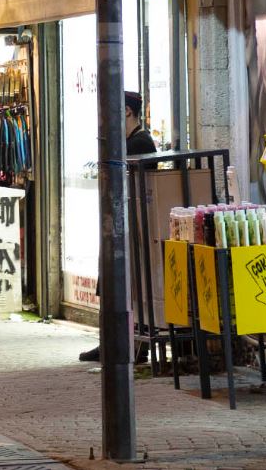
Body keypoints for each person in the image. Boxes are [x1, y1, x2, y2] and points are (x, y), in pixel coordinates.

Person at [81, 91, 158, 363]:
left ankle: (124, 344)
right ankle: (115, 342)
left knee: (124, 283)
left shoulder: (139, 142)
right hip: (123, 222)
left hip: (132, 224)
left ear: (126, 111)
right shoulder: (132, 141)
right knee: (116, 282)